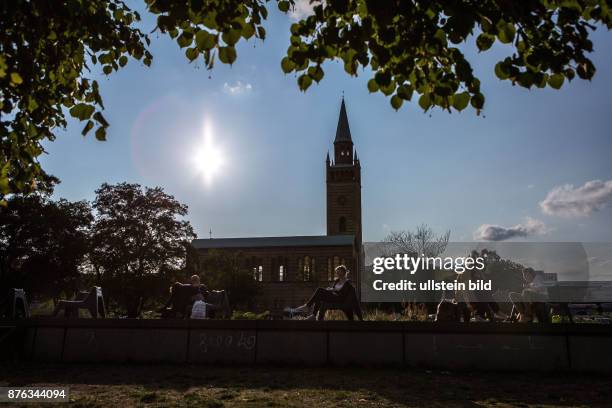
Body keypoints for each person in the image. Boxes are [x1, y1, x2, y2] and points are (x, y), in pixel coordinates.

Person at [284, 265, 363, 321]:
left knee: (320, 290)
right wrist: (331, 289)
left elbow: (349, 298)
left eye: (339, 272)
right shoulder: (336, 281)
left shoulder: (348, 284)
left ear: (344, 272)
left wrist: (360, 318)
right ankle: (313, 315)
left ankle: (307, 307)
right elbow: (334, 289)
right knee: (320, 294)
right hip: (334, 297)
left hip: (340, 300)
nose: (338, 274)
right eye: (337, 272)